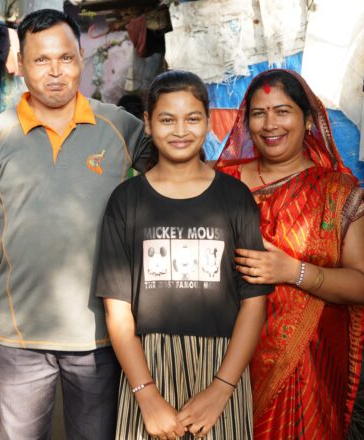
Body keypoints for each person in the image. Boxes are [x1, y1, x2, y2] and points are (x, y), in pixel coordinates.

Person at [0, 9, 150, 440]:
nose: (56, 72)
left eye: (66, 58)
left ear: (80, 59)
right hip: (17, 339)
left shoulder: (121, 128)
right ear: (20, 65)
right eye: (41, 60)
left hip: (102, 338)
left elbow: (182, 171)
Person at [96, 70, 273, 440]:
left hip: (223, 367)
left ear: (208, 122)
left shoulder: (234, 199)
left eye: (192, 118)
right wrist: (146, 396)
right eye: (166, 119)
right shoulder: (126, 201)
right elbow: (117, 311)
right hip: (146, 368)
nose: (180, 130)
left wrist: (222, 389)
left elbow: (254, 305)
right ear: (147, 123)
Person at [215, 69, 364, 439]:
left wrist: (293, 271)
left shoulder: (336, 192)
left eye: (282, 111)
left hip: (307, 366)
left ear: (308, 120)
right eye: (258, 113)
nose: (270, 124)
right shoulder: (220, 182)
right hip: (223, 358)